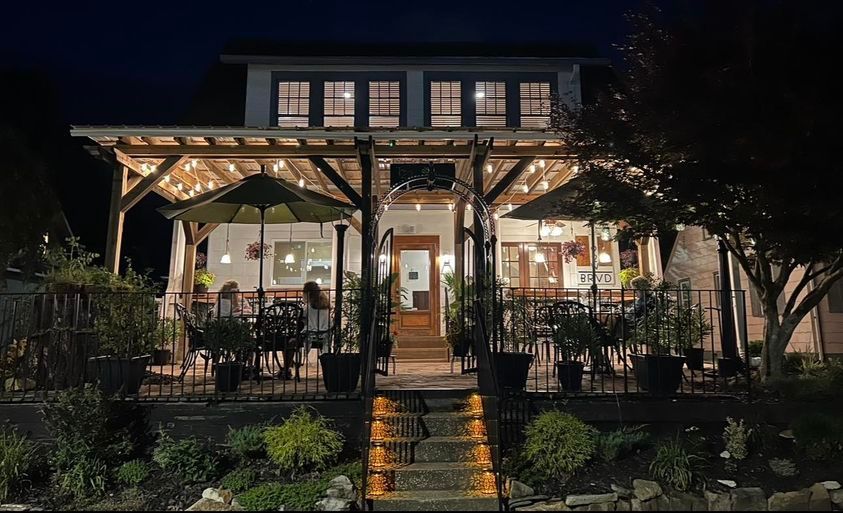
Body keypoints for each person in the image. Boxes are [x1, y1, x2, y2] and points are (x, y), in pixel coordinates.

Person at [302, 281, 333, 357]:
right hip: (326, 332)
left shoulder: (307, 307)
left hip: (311, 332)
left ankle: (295, 361)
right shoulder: (326, 306)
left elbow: (303, 318)